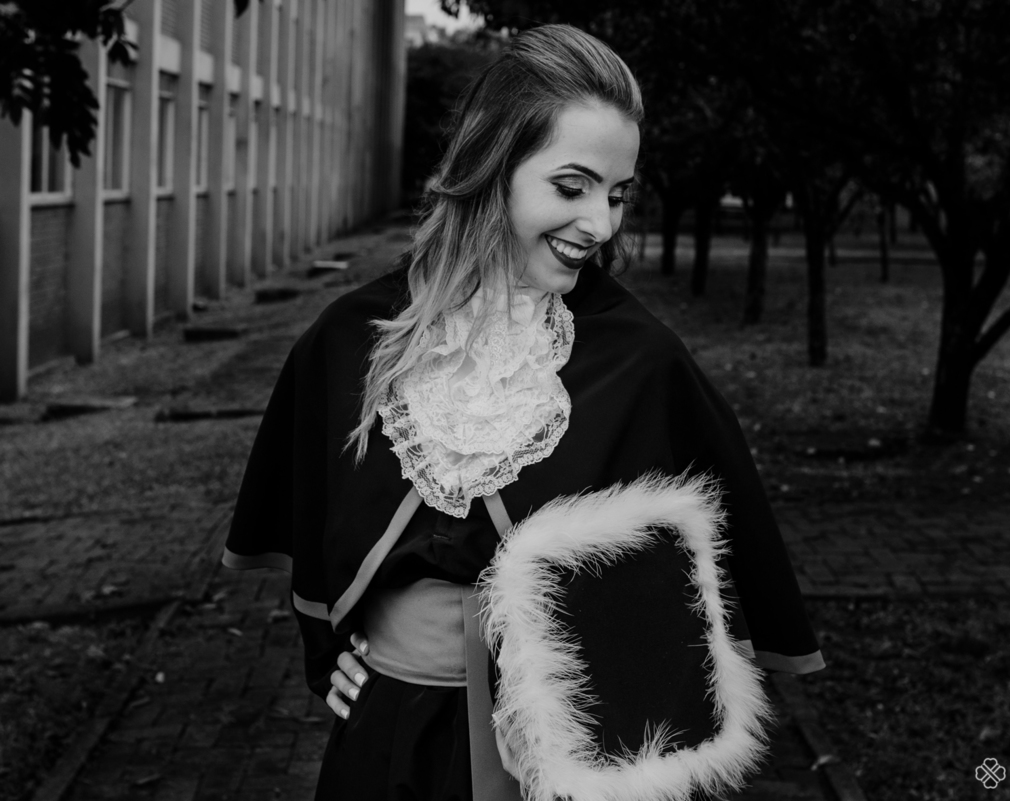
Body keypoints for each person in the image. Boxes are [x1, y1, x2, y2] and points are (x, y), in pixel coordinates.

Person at [223, 23, 824, 801]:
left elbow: (677, 598)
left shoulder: (642, 359)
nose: (601, 225)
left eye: (617, 195)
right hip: (389, 737)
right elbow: (321, 520)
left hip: (558, 763)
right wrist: (329, 649)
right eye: (571, 187)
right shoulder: (351, 336)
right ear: (493, 165)